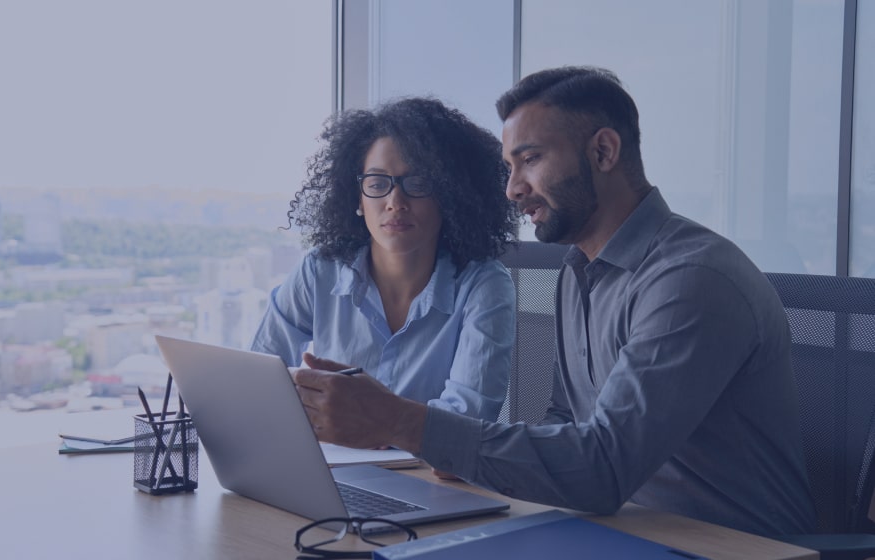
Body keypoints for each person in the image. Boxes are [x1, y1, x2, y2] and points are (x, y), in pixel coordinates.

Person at [292, 67, 817, 537]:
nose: (512, 189)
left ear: (604, 152)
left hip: (725, 546)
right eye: (509, 166)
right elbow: (566, 421)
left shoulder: (690, 279)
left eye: (531, 160)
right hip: (615, 530)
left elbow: (603, 468)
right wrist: (462, 449)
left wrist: (404, 422)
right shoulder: (577, 272)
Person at [251, 97, 518, 422]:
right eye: (377, 183)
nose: (395, 201)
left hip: (429, 472)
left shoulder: (484, 285)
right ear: (358, 199)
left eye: (417, 183)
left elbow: (467, 419)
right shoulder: (320, 270)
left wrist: (379, 424)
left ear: (449, 196)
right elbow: (259, 376)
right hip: (327, 464)